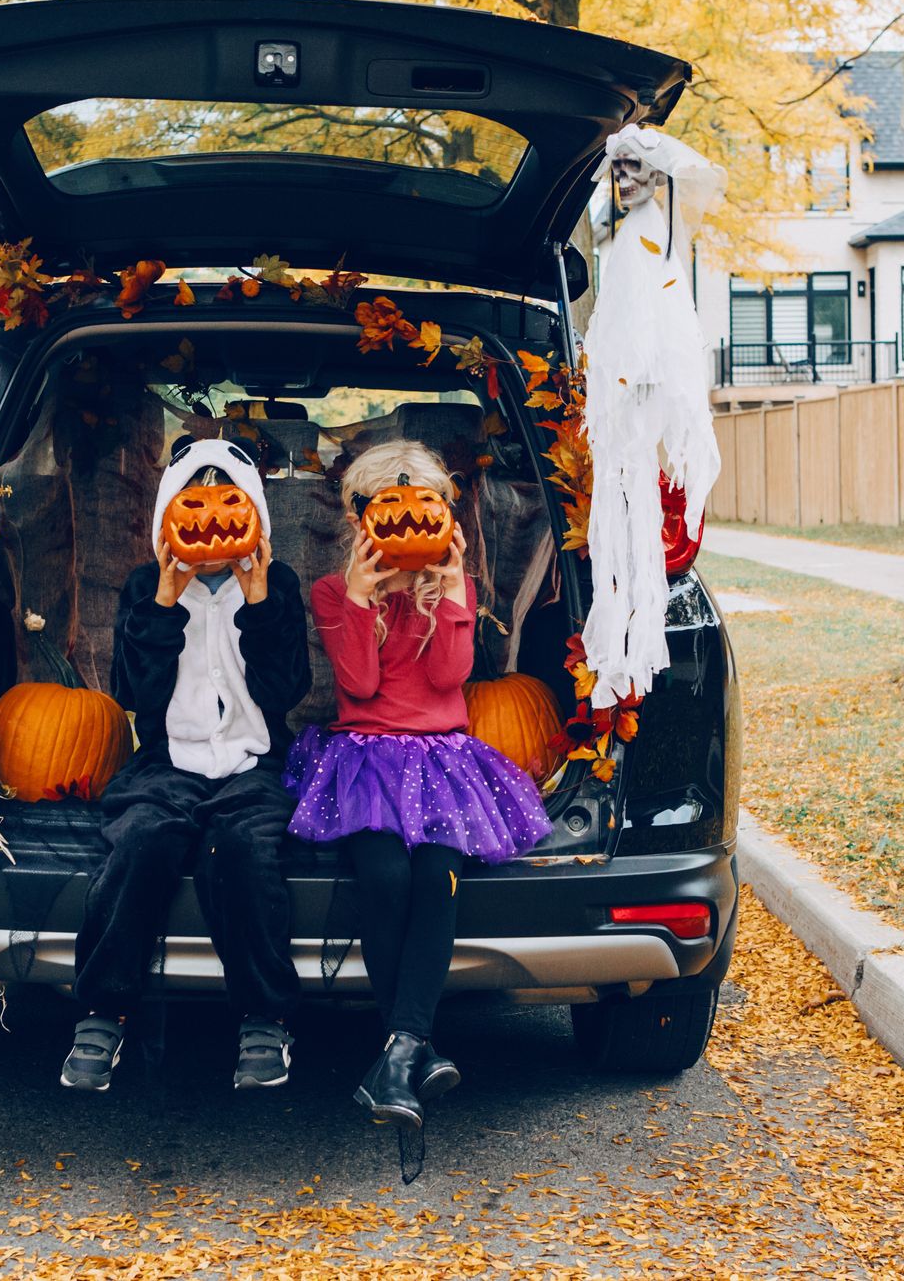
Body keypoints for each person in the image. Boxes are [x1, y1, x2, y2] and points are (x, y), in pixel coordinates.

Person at [286, 439, 551, 1130]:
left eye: (423, 506)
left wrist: (455, 583)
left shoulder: (453, 588)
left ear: (445, 514)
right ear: (359, 518)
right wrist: (360, 600)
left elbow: (445, 680)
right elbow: (360, 686)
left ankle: (399, 1050)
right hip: (365, 759)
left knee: (436, 878)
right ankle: (411, 1046)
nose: (408, 520)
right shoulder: (329, 591)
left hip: (441, 758)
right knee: (384, 878)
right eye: (389, 508)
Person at [61, 436, 311, 1093]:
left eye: (228, 503)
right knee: (139, 840)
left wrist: (258, 601)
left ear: (253, 510)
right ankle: (102, 1011)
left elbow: (285, 690)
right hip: (166, 764)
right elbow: (134, 695)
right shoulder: (146, 589)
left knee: (243, 850)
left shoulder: (276, 585)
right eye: (191, 505)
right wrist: (164, 604)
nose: (210, 519)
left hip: (253, 762)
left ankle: (264, 1017)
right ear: (167, 515)